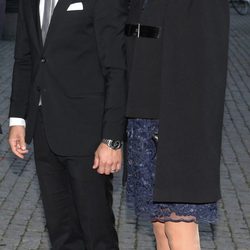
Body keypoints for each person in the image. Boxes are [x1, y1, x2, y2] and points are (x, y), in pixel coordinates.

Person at [8, 0, 127, 249]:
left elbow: (116, 68)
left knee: (97, 231)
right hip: (44, 128)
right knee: (61, 230)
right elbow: (25, 58)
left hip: (89, 133)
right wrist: (18, 119)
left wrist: (112, 139)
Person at [125, 0, 229, 249]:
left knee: (178, 227)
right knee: (160, 227)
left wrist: (189, 127)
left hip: (181, 120)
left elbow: (208, 60)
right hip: (141, 114)